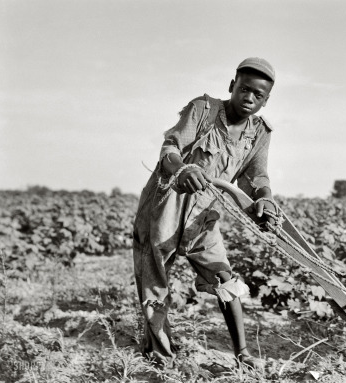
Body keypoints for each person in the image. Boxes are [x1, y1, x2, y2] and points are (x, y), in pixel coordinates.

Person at [132, 57, 277, 369]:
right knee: (154, 278)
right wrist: (182, 168)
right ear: (232, 86)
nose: (249, 98)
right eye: (244, 89)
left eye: (258, 95)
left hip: (204, 212)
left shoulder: (260, 133)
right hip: (167, 202)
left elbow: (257, 176)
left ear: (266, 100)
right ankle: (159, 354)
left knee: (224, 277)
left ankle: (242, 354)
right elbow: (169, 149)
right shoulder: (203, 109)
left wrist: (265, 199)